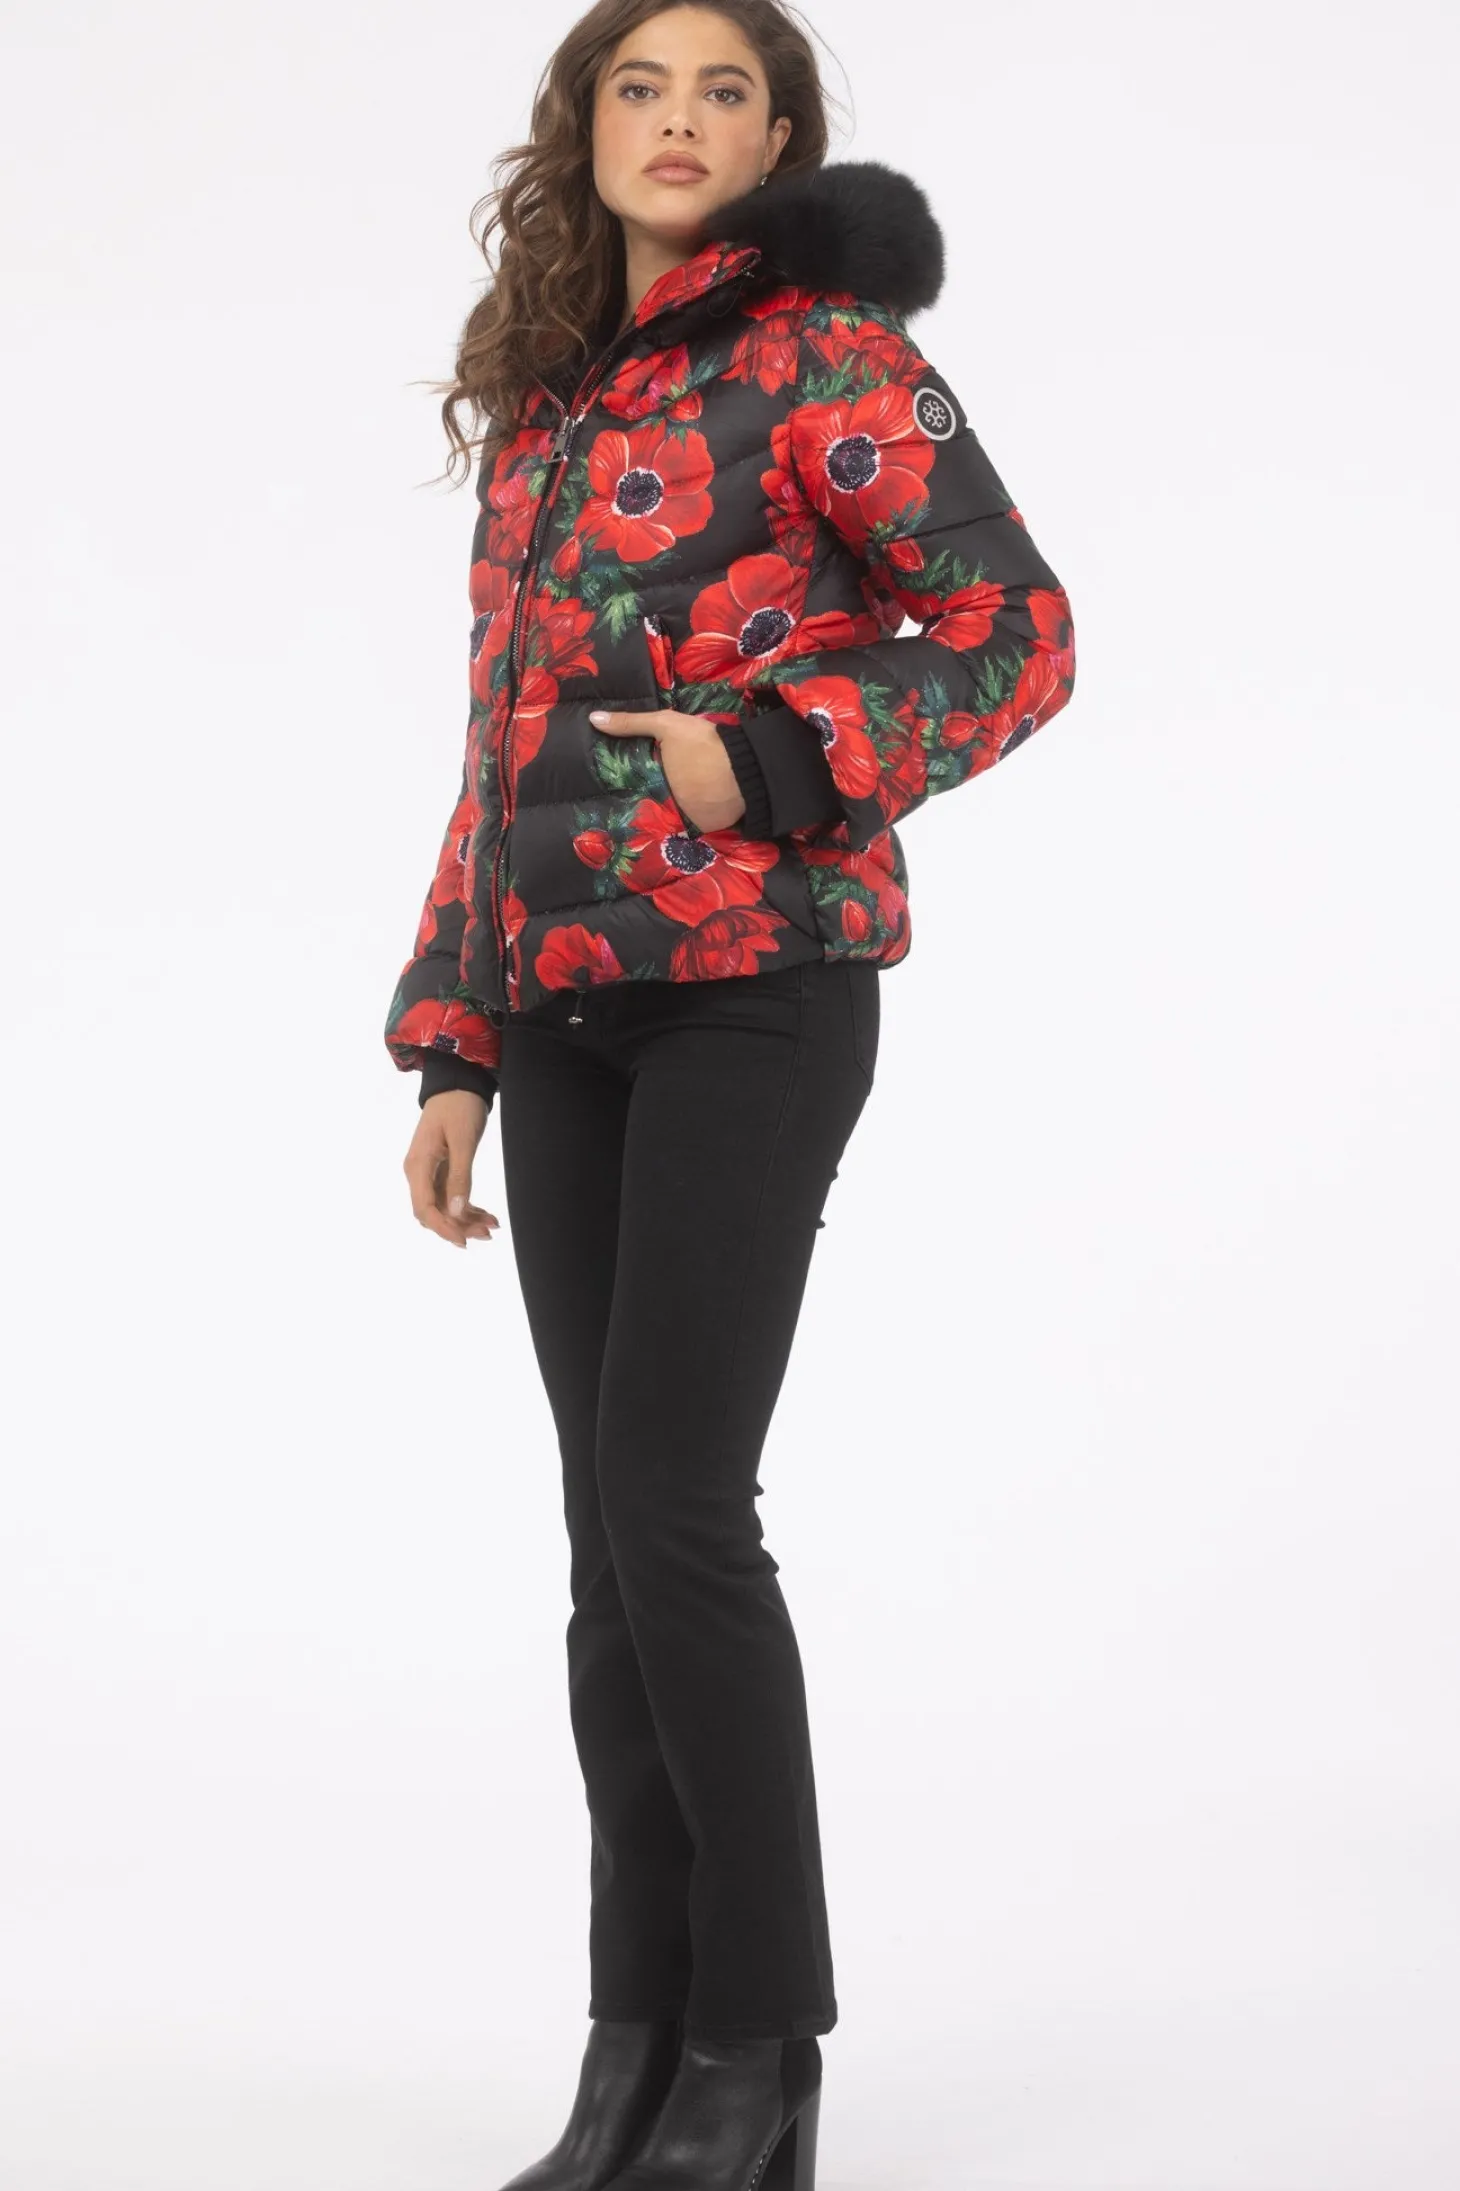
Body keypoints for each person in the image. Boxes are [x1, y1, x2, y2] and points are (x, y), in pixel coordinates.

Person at [384, 2, 1076, 2183]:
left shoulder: (829, 360)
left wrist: (769, 754)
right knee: (609, 1539)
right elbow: (497, 746)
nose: (675, 119)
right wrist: (453, 1038)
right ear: (580, 127)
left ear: (777, 142)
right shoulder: (551, 399)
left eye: (723, 91)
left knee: (678, 1506)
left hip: (755, 991)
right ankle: (639, 2045)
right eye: (637, 84)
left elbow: (1017, 633)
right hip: (562, 1010)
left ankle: (759, 2060)